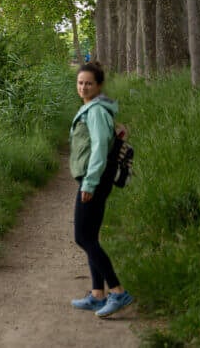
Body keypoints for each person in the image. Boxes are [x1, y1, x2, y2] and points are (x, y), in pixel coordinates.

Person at [69, 61, 134, 318]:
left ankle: (118, 292)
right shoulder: (94, 108)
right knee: (90, 237)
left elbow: (98, 150)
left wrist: (89, 183)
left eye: (89, 83)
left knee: (83, 237)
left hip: (93, 179)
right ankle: (98, 295)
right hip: (95, 179)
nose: (83, 87)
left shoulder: (95, 111)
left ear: (99, 85)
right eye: (80, 82)